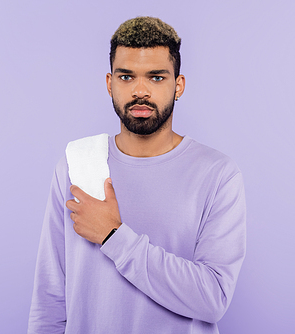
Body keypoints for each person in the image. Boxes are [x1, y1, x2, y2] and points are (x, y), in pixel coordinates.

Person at [28, 16, 246, 334]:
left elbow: (212, 298)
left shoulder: (217, 174)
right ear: (109, 83)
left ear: (179, 85)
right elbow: (50, 299)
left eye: (156, 78)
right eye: (127, 76)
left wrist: (114, 237)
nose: (140, 91)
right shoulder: (78, 163)